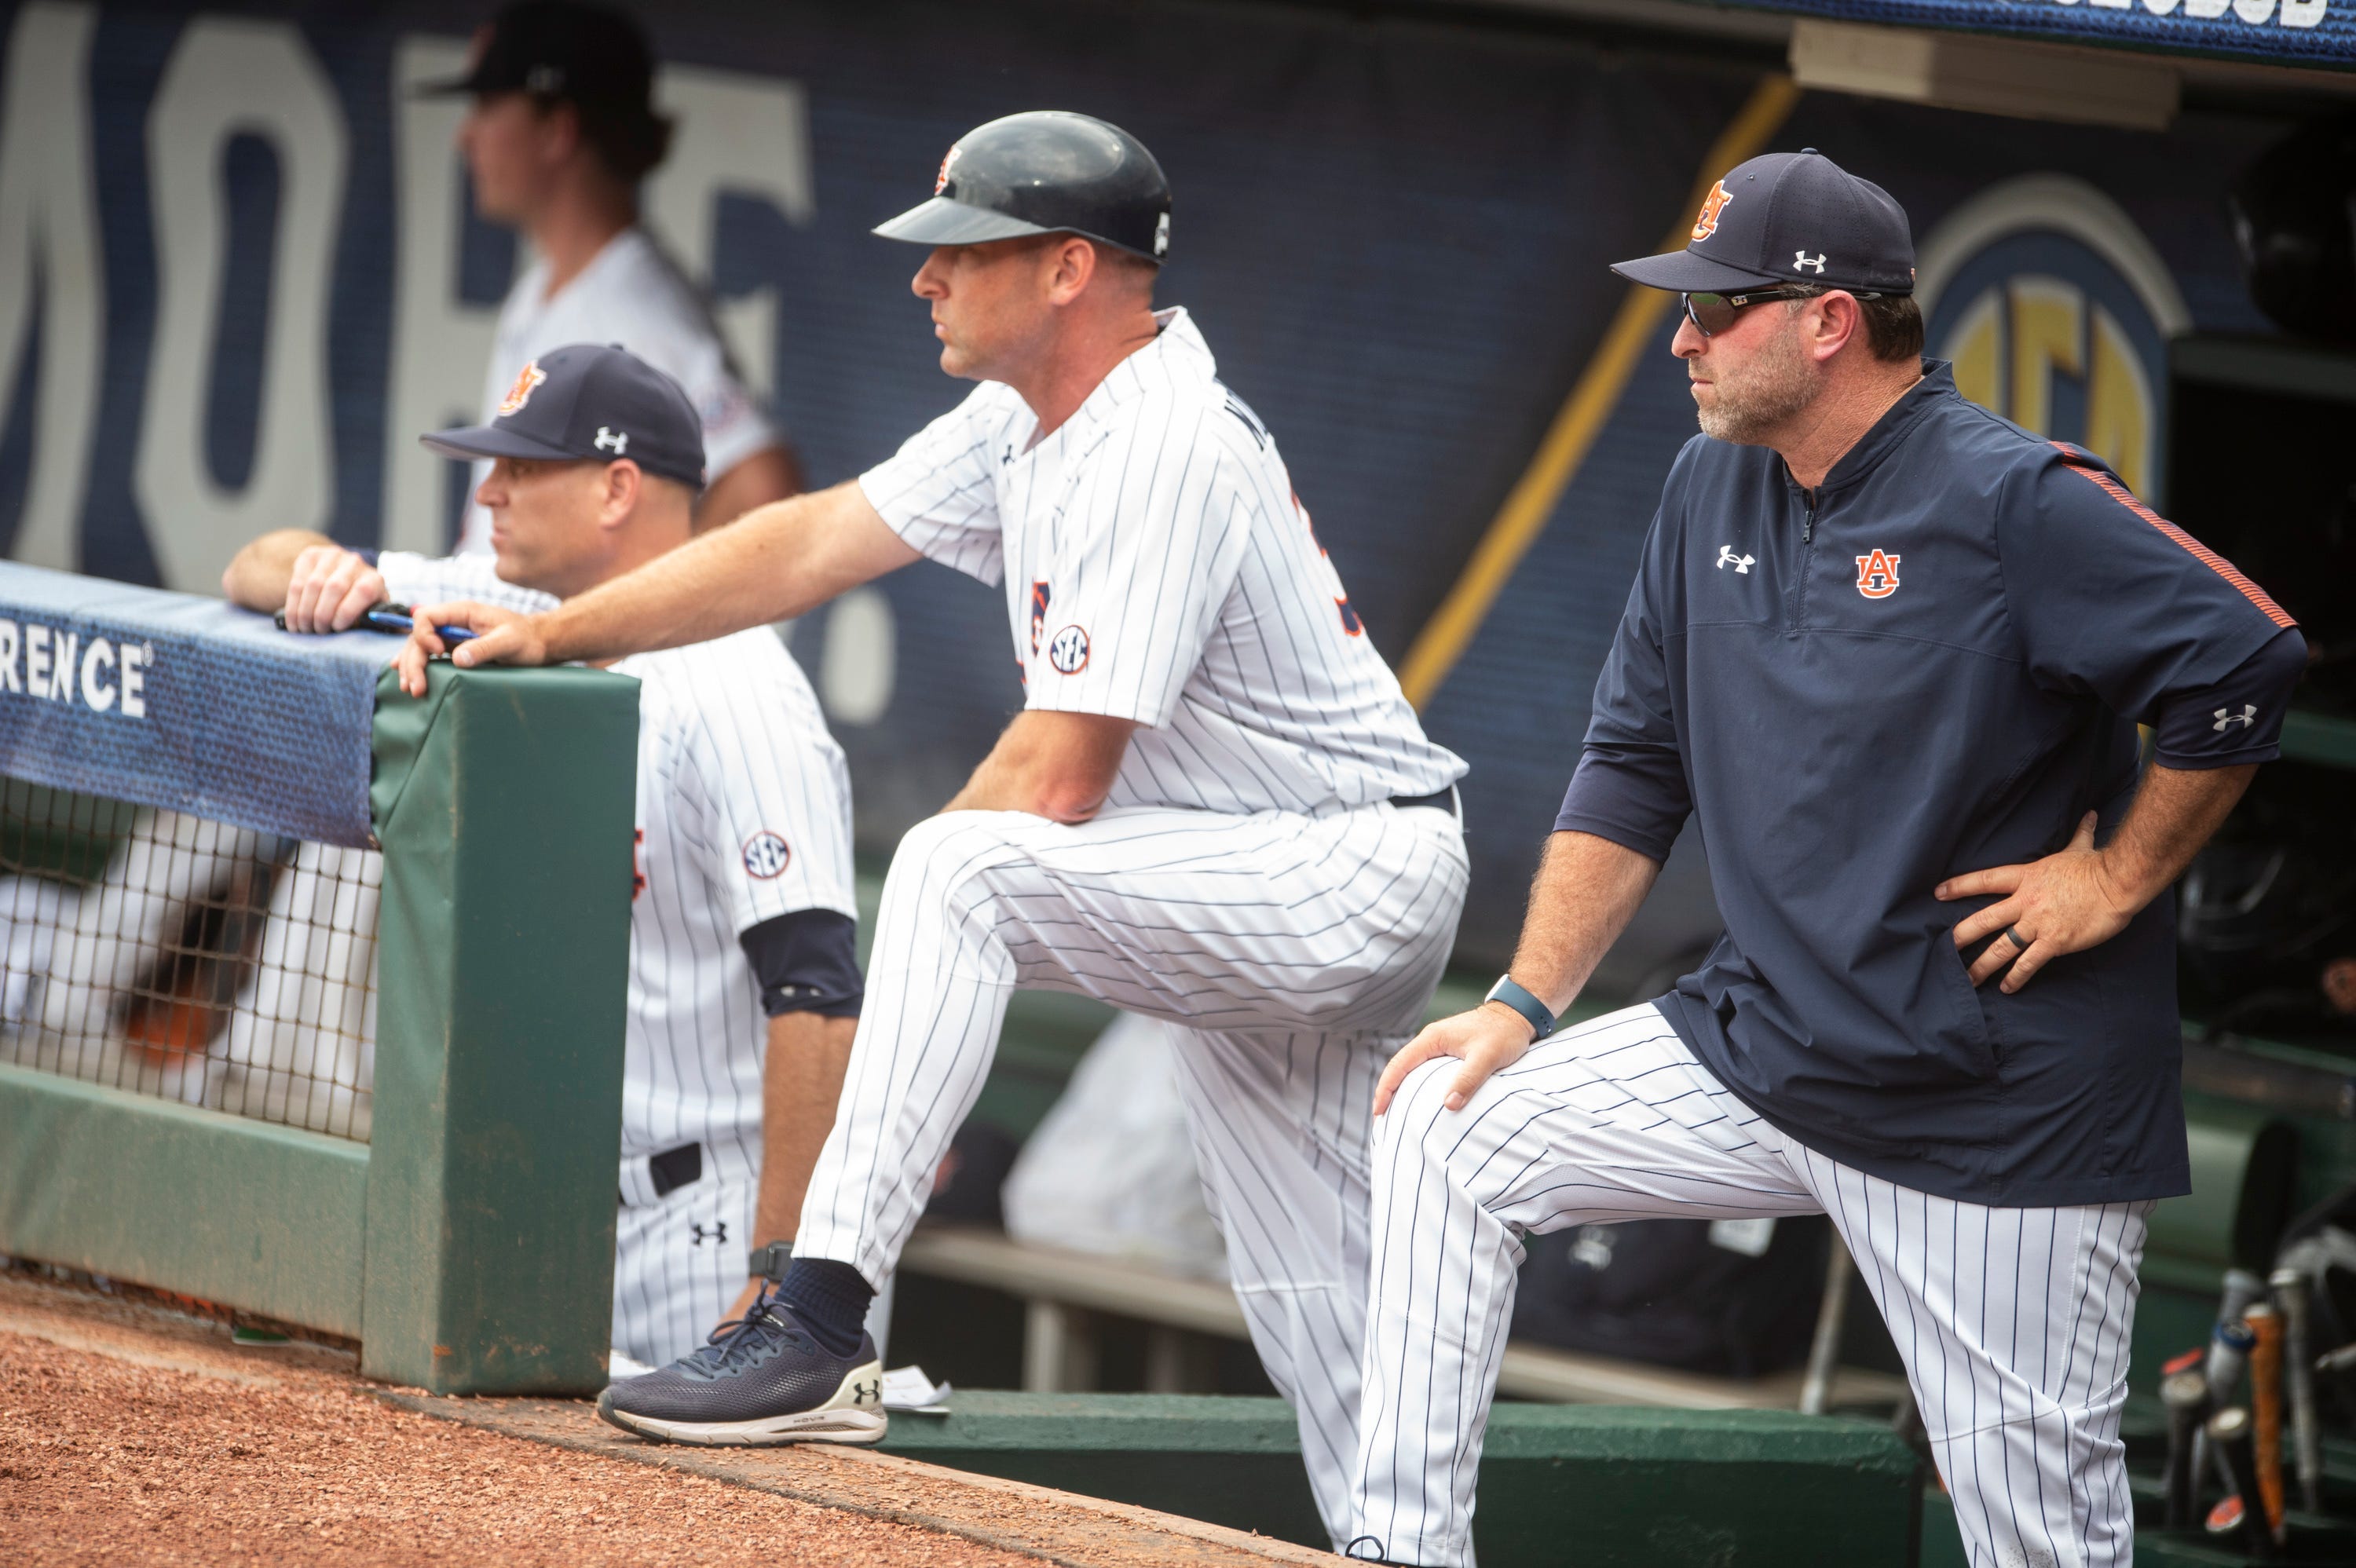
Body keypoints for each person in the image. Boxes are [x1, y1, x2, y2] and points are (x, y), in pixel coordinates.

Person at [392, 111, 1469, 1537]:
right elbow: (811, 540)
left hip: (1346, 865)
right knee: (1318, 1311)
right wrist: (561, 629)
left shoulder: (1162, 439)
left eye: (964, 250)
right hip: (1234, 884)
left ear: (1071, 268)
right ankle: (1411, 1543)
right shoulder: (1026, 417)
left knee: (957, 868)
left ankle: (818, 1314)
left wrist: (913, 1015)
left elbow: (1058, 779)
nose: (924, 278)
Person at [1344, 149, 2309, 1568]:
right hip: (1771, 1048)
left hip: (1991, 1114)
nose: (1681, 339)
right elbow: (1635, 765)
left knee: (2043, 1542)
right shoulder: (1706, 484)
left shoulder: (2009, 497)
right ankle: (1393, 1552)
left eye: (1714, 310)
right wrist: (1522, 1002)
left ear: (1827, 320)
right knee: (1447, 1124)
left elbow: (2246, 657)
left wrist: (2111, 873)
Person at [221, 343, 862, 1369]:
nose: (489, 492)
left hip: (717, 1213)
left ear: (616, 490)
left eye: (521, 469)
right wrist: (322, 574)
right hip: (549, 1211)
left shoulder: (745, 692)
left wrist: (784, 1266)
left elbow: (821, 999)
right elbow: (251, 562)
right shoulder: (502, 602)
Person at [423, 1, 800, 549]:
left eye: (485, 105)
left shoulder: (633, 308)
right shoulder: (546, 286)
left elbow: (764, 483)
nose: (465, 136)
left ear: (557, 129)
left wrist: (635, 625)